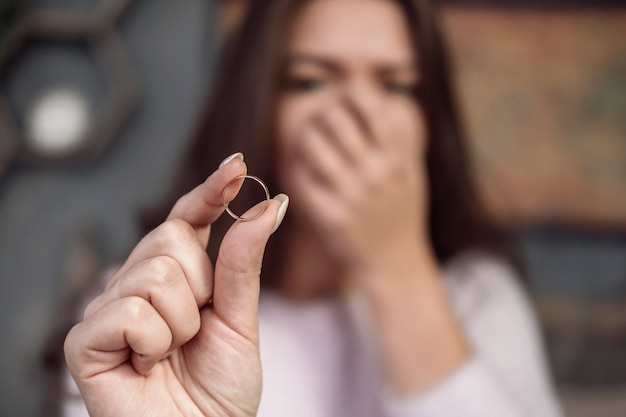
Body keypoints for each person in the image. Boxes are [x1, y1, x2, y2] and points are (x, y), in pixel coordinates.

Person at [63, 0, 564, 416]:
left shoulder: (478, 297)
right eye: (311, 81)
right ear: (255, 103)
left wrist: (397, 269)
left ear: (429, 121)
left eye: (396, 85)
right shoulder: (152, 308)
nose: (358, 112)